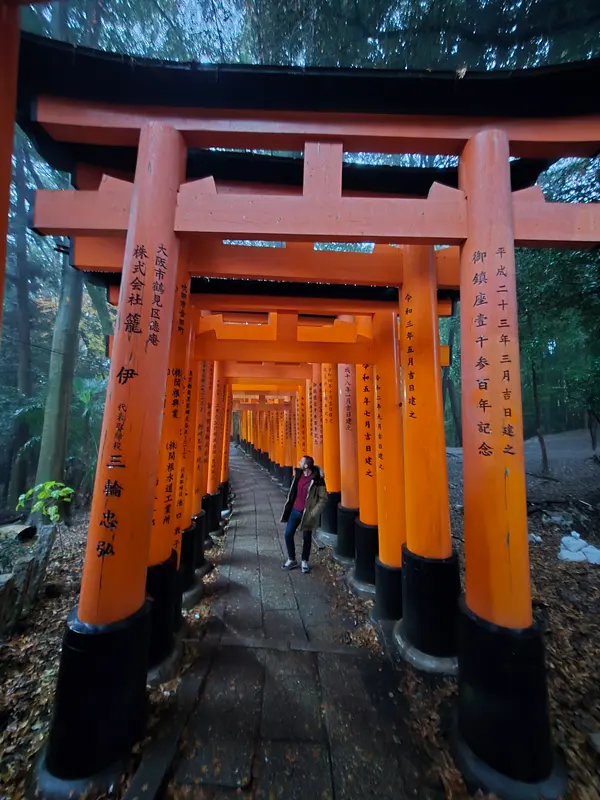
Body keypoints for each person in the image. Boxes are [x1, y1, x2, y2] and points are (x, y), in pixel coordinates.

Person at [280, 455, 327, 573]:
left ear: (306, 466)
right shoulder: (299, 474)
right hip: (295, 510)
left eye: (301, 461)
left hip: (307, 513)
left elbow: (323, 498)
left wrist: (313, 513)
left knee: (307, 538)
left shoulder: (317, 479)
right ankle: (291, 559)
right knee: (288, 534)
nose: (299, 462)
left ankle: (304, 560)